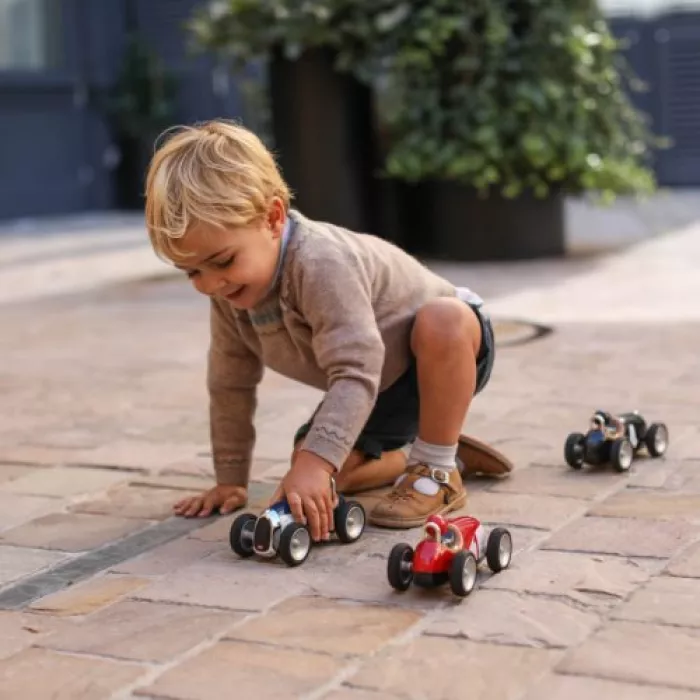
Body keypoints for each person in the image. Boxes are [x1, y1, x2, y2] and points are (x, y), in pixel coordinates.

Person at [144, 119, 510, 542]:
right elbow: (230, 384)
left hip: (446, 351)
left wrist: (317, 464)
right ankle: (427, 447)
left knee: (440, 320)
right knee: (322, 469)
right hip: (378, 381)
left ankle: (436, 468)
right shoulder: (228, 297)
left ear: (273, 217)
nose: (210, 284)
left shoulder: (319, 262)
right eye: (191, 272)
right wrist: (232, 479)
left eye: (223, 262)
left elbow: (356, 367)